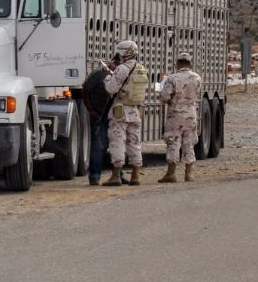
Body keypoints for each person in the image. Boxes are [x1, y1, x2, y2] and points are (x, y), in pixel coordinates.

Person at [103, 40, 148, 186]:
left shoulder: (122, 68)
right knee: (134, 143)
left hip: (120, 112)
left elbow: (111, 89)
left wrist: (108, 76)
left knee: (118, 142)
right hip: (135, 110)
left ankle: (116, 176)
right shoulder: (141, 68)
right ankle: (135, 176)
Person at [158, 53, 202, 183]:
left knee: (173, 143)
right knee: (189, 144)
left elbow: (164, 97)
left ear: (178, 63)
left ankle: (171, 173)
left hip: (175, 115)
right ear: (190, 63)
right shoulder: (197, 78)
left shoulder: (172, 78)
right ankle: (189, 174)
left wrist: (161, 90)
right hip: (191, 114)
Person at [81, 55, 117, 186]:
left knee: (116, 146)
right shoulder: (97, 75)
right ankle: (94, 176)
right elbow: (85, 91)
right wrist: (91, 110)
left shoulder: (120, 74)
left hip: (114, 116)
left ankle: (118, 175)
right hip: (99, 114)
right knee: (98, 146)